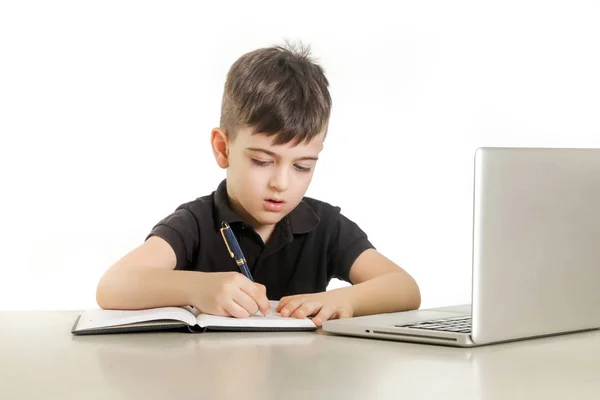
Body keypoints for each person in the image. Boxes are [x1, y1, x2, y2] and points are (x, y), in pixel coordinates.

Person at [96, 42, 420, 327]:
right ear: (223, 149)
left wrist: (345, 300)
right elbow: (113, 284)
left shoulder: (326, 226)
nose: (281, 183)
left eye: (302, 166)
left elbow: (404, 287)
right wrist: (198, 288)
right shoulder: (195, 223)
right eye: (262, 161)